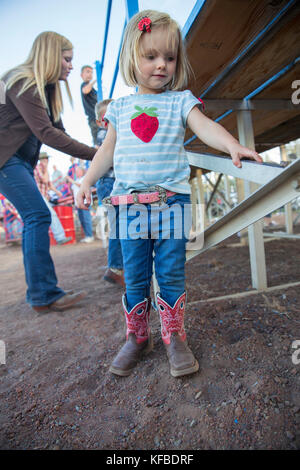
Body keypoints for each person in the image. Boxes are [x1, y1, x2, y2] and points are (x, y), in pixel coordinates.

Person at [76, 10, 263, 378]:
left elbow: (204, 126)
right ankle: (136, 336)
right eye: (151, 56)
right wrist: (85, 181)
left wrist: (232, 146)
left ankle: (174, 336)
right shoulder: (120, 107)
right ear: (133, 57)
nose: (161, 65)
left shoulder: (181, 101)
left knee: (172, 272)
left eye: (170, 57)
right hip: (127, 206)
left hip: (172, 203)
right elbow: (107, 151)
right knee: (134, 274)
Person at [0, 31, 97, 313]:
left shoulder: (48, 89)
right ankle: (43, 294)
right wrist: (99, 154)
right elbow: (48, 135)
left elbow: (60, 133)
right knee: (37, 215)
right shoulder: (21, 81)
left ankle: (42, 293)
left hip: (19, 162)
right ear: (52, 55)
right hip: (5, 160)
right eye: (67, 59)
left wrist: (97, 156)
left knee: (37, 216)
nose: (70, 66)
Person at [95, 99, 124, 286]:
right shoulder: (102, 135)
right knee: (120, 224)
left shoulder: (117, 133)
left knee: (123, 223)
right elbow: (109, 158)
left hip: (114, 182)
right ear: (100, 122)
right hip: (108, 182)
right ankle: (115, 268)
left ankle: (118, 267)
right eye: (107, 118)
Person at [34, 152, 72, 245]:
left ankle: (40, 241)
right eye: (45, 159)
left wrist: (57, 192)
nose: (47, 161)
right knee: (52, 214)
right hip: (39, 195)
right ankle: (60, 237)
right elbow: (45, 180)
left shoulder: (44, 170)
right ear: (42, 160)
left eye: (47, 159)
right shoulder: (38, 167)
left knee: (42, 218)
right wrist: (46, 168)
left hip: (44, 196)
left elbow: (49, 185)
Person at [67, 166, 94, 243]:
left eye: (78, 171)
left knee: (86, 219)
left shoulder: (85, 178)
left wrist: (71, 180)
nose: (77, 172)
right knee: (82, 220)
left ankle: (90, 236)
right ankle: (87, 236)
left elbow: (81, 186)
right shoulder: (77, 180)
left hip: (85, 202)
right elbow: (72, 190)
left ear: (82, 171)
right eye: (76, 171)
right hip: (78, 204)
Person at [80, 65, 98, 146]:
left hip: (98, 117)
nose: (90, 74)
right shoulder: (84, 85)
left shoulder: (93, 89)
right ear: (82, 75)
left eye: (91, 72)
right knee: (98, 142)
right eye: (87, 72)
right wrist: (95, 80)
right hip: (93, 118)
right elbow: (85, 90)